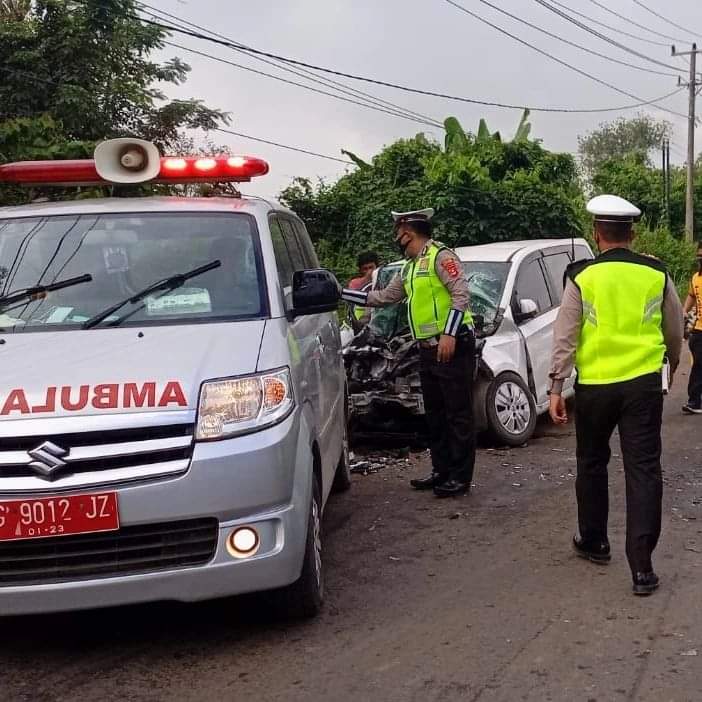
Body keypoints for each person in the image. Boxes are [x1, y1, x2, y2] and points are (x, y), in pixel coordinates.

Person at [548, 194, 683, 596]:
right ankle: (642, 568)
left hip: (594, 387)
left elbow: (565, 334)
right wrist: (671, 367)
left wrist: (556, 386)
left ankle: (595, 541)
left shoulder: (581, 276)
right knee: (643, 469)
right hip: (642, 385)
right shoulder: (656, 273)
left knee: (591, 462)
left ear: (597, 233)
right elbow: (673, 330)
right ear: (633, 233)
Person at [342, 209, 475, 498]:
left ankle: (460, 478)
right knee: (435, 415)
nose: (396, 238)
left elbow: (461, 294)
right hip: (426, 348)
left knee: (458, 415)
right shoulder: (409, 266)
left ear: (409, 233)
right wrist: (342, 293)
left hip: (452, 344)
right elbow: (385, 297)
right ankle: (441, 471)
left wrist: (450, 333)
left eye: (398, 233)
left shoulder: (442, 257)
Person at [682, 248, 702, 414]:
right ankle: (694, 402)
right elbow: (691, 296)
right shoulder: (696, 278)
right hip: (698, 331)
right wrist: (683, 312)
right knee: (698, 366)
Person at [347, 251, 379, 328]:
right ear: (360, 270)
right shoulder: (355, 283)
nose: (369, 271)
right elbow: (353, 300)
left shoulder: (383, 279)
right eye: (365, 269)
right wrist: (367, 279)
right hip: (360, 323)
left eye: (371, 267)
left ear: (377, 267)